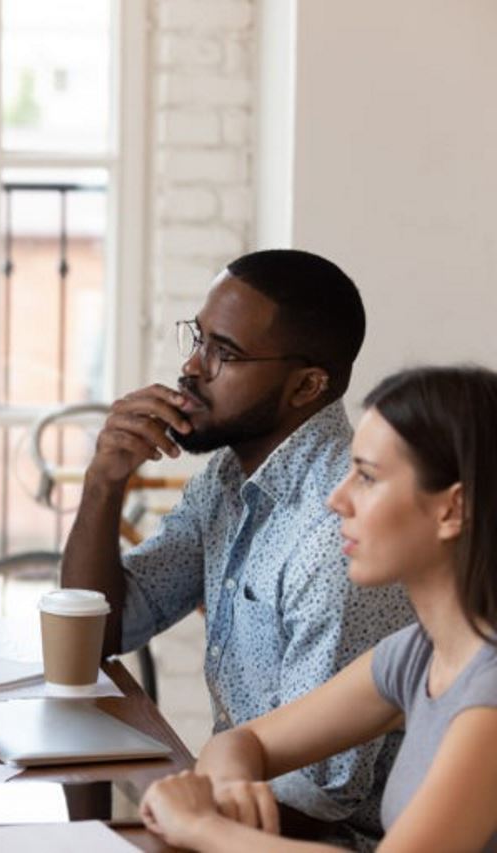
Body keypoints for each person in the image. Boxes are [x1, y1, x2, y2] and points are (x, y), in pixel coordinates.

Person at [61, 249, 413, 845]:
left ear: (307, 385)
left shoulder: (338, 536)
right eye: (198, 339)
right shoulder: (229, 478)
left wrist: (180, 813)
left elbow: (318, 803)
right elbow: (101, 630)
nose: (191, 367)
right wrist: (104, 482)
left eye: (224, 353)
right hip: (234, 817)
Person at [141, 365, 497, 852]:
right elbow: (241, 742)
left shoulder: (488, 693)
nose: (337, 499)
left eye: (367, 477)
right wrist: (229, 789)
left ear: (452, 509)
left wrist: (201, 825)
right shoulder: (416, 655)